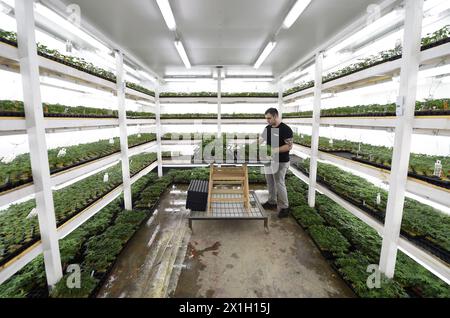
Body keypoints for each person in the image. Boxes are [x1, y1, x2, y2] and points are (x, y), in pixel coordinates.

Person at [259, 108, 293, 218]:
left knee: (279, 183)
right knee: (270, 182)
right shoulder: (268, 128)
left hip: (281, 161)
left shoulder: (286, 129)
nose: (267, 120)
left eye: (269, 118)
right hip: (269, 160)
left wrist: (274, 150)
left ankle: (285, 207)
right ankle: (272, 202)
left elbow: (288, 146)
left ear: (275, 116)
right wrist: (251, 146)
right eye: (266, 118)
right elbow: (261, 140)